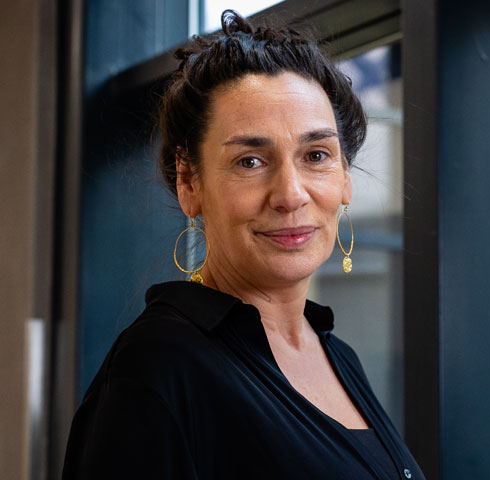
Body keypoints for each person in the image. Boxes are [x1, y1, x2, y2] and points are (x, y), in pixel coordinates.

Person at [62, 10, 424, 480]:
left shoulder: (334, 352)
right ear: (189, 183)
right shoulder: (156, 371)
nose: (291, 194)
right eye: (250, 161)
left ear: (345, 180)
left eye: (316, 155)